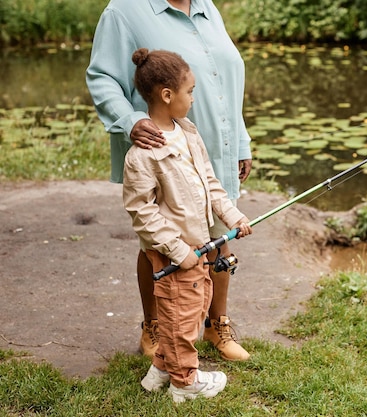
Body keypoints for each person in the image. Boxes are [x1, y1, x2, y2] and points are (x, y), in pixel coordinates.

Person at [85, 0, 253, 361]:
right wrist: (130, 121)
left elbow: (225, 79)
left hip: (213, 149)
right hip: (163, 154)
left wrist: (239, 140)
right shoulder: (124, 10)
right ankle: (155, 326)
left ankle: (215, 324)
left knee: (219, 234)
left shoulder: (207, 7)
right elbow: (101, 77)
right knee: (160, 242)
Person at [124, 47, 252, 402]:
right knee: (181, 320)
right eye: (190, 91)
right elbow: (142, 213)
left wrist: (233, 216)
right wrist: (179, 251)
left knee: (190, 309)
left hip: (197, 246)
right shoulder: (141, 155)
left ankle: (161, 369)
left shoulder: (188, 132)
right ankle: (185, 383)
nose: (194, 98)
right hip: (174, 254)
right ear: (167, 95)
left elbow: (210, 183)